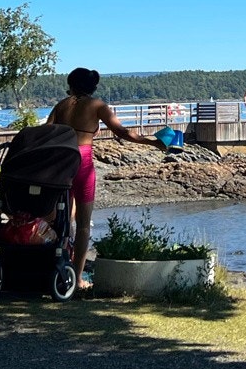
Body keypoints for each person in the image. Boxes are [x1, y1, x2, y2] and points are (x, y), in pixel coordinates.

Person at [46, 67, 162, 290]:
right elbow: (123, 132)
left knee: (59, 219)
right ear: (92, 87)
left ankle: (53, 267)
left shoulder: (61, 105)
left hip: (61, 160)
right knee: (82, 225)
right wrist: (153, 142)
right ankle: (77, 278)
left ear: (71, 84)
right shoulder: (97, 105)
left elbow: (47, 131)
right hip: (82, 161)